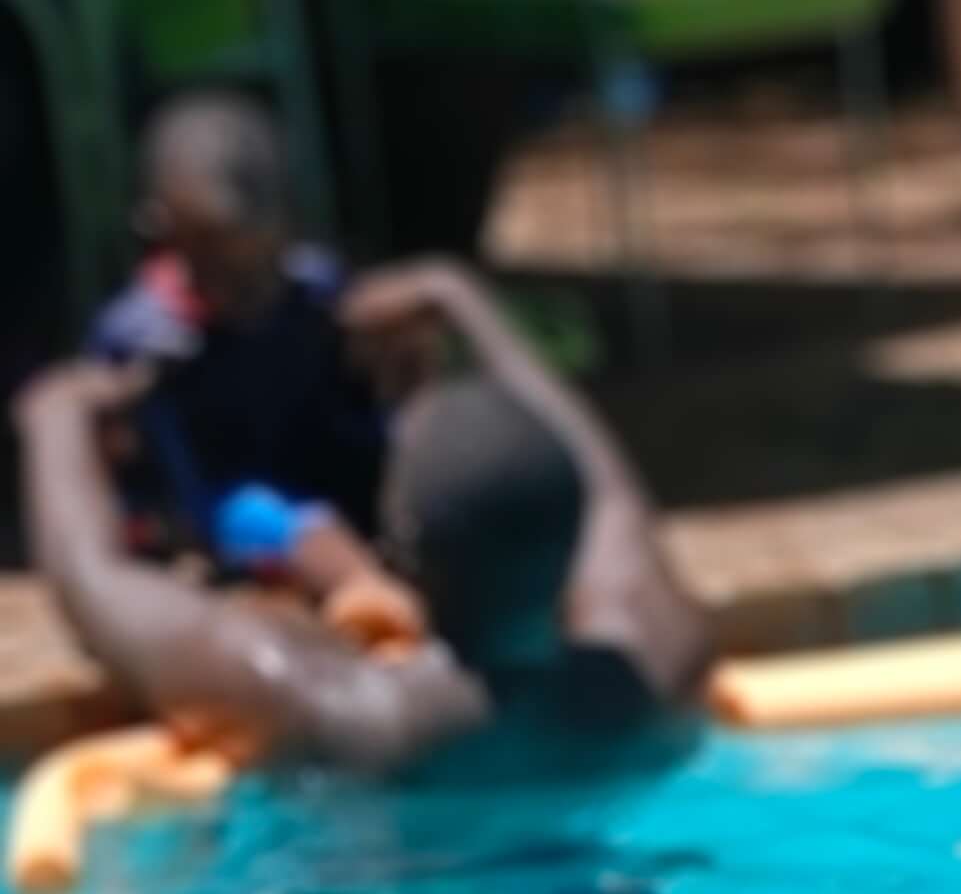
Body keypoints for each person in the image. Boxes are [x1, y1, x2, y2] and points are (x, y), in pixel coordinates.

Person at [16, 252, 709, 775]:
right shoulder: (652, 669)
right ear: (574, 538)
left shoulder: (346, 714)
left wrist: (54, 417)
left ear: (401, 552)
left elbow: (91, 575)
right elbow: (611, 493)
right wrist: (462, 298)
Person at [85, 91, 412, 649]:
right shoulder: (141, 334)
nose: (222, 283)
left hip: (339, 481)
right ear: (160, 230)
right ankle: (377, 605)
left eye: (242, 265)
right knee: (286, 523)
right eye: (199, 259)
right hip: (222, 516)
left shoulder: (318, 292)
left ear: (282, 228)